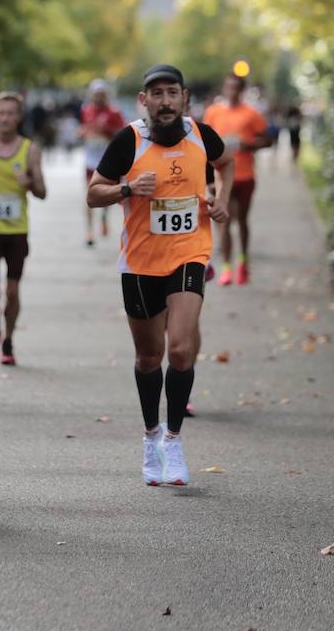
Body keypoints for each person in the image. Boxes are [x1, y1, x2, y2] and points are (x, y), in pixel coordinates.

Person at [87, 64, 231, 486]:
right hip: (140, 263)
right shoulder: (128, 141)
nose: (165, 101)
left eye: (172, 93)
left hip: (189, 254)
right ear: (143, 101)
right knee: (149, 358)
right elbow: (94, 193)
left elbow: (226, 163)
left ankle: (173, 440)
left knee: (182, 349)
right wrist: (128, 189)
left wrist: (219, 198)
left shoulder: (203, 136)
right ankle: (150, 437)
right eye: (157, 94)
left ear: (184, 98)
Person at [0, 92, 46, 366]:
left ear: (18, 118)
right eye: (0, 113)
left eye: (10, 113)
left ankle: (8, 340)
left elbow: (43, 192)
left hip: (17, 231)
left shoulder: (29, 148)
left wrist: (28, 181)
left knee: (12, 291)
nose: (5, 118)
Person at [200, 74, 272, 285]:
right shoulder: (213, 112)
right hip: (221, 176)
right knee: (226, 221)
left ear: (241, 90)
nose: (232, 91)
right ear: (224, 88)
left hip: (245, 175)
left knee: (242, 221)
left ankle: (243, 262)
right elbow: (203, 144)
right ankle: (227, 267)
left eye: (236, 88)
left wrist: (247, 145)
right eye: (228, 87)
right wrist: (207, 177)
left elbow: (267, 140)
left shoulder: (252, 114)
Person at [79, 79, 126, 246]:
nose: (98, 97)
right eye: (95, 94)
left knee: (106, 194)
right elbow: (83, 128)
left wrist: (106, 131)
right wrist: (83, 132)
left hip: (107, 160)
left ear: (106, 95)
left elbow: (122, 135)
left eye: (101, 94)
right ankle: (89, 232)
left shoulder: (114, 112)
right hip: (90, 159)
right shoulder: (86, 110)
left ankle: (105, 217)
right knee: (88, 194)